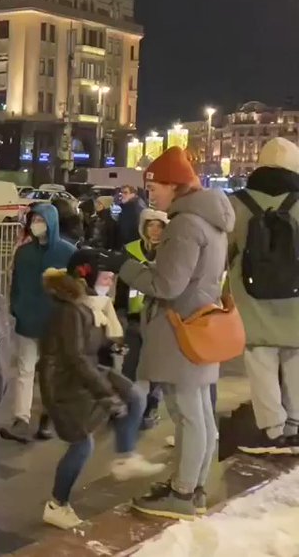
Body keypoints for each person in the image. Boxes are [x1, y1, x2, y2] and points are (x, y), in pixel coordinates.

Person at [114, 147, 232, 520]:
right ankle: (192, 485)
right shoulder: (210, 219)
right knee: (199, 412)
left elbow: (166, 285)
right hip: (201, 324)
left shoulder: (185, 225)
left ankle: (183, 493)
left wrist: (124, 266)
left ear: (175, 185)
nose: (151, 195)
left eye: (155, 188)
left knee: (187, 414)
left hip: (181, 329)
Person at [38, 250, 165, 530]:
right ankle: (57, 504)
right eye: (105, 276)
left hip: (82, 372)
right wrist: (106, 396)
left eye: (111, 276)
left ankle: (125, 457)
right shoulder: (71, 310)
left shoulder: (87, 304)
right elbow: (75, 357)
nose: (110, 281)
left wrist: (110, 345)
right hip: (63, 385)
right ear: (86, 275)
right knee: (82, 445)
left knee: (134, 395)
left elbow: (85, 346)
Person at [229, 138, 299, 455]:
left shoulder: (237, 203)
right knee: (295, 359)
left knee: (261, 362)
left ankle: (272, 429)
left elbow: (225, 250)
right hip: (295, 299)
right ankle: (295, 424)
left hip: (251, 298)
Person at [2, 203, 76, 444]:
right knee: (25, 370)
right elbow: (16, 284)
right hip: (28, 320)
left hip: (55, 323)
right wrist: (16, 307)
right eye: (33, 220)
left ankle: (47, 417)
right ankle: (21, 419)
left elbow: (75, 288)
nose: (36, 225)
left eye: (41, 220)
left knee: (50, 373)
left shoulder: (68, 252)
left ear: (51, 222)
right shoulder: (24, 253)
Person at [116, 208, 169, 429]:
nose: (155, 230)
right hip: (134, 318)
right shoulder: (131, 250)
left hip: (159, 318)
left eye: (159, 226)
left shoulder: (171, 252)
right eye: (150, 225)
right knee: (130, 365)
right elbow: (121, 285)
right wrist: (119, 313)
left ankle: (151, 406)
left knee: (156, 366)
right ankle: (126, 404)